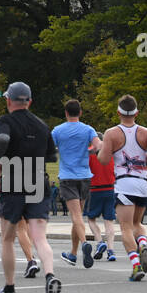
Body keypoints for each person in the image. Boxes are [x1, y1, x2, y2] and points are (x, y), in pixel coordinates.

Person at [0, 81, 61, 293]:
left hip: (14, 180)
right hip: (38, 180)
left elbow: (2, 140)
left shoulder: (5, 121)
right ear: (29, 101)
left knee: (7, 238)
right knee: (40, 237)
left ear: (9, 100)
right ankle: (50, 276)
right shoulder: (42, 126)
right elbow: (52, 155)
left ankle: (10, 289)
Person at [97, 95, 147, 283]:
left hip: (124, 183)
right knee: (137, 224)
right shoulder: (146, 132)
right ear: (137, 113)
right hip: (143, 183)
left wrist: (104, 149)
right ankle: (142, 244)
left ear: (118, 112)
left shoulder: (111, 133)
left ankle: (135, 265)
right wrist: (146, 157)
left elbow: (103, 160)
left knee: (125, 227)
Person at [50, 99, 102, 269]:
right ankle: (72, 254)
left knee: (76, 216)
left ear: (66, 113)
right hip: (85, 176)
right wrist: (89, 150)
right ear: (80, 112)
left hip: (67, 177)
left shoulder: (58, 130)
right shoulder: (88, 129)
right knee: (77, 216)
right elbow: (98, 146)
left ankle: (85, 243)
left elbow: (48, 149)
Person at [86, 147, 118, 261]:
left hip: (95, 189)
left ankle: (99, 242)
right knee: (109, 221)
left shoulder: (90, 154)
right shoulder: (110, 154)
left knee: (91, 219)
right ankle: (111, 251)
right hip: (110, 188)